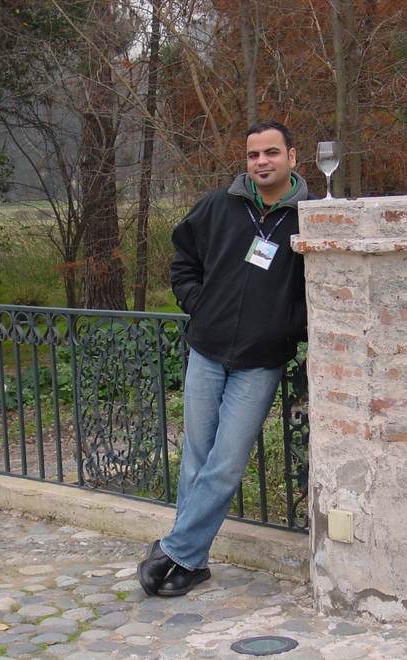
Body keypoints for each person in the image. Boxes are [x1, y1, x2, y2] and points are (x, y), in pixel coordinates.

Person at [138, 120, 310, 597]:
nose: (262, 162)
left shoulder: (310, 216)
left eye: (271, 152)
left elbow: (318, 287)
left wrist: (287, 324)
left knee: (227, 463)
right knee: (196, 460)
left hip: (261, 361)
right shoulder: (219, 205)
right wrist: (200, 304)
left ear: (292, 157)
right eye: (254, 154)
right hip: (207, 351)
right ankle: (190, 562)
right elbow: (183, 260)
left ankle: (174, 550)